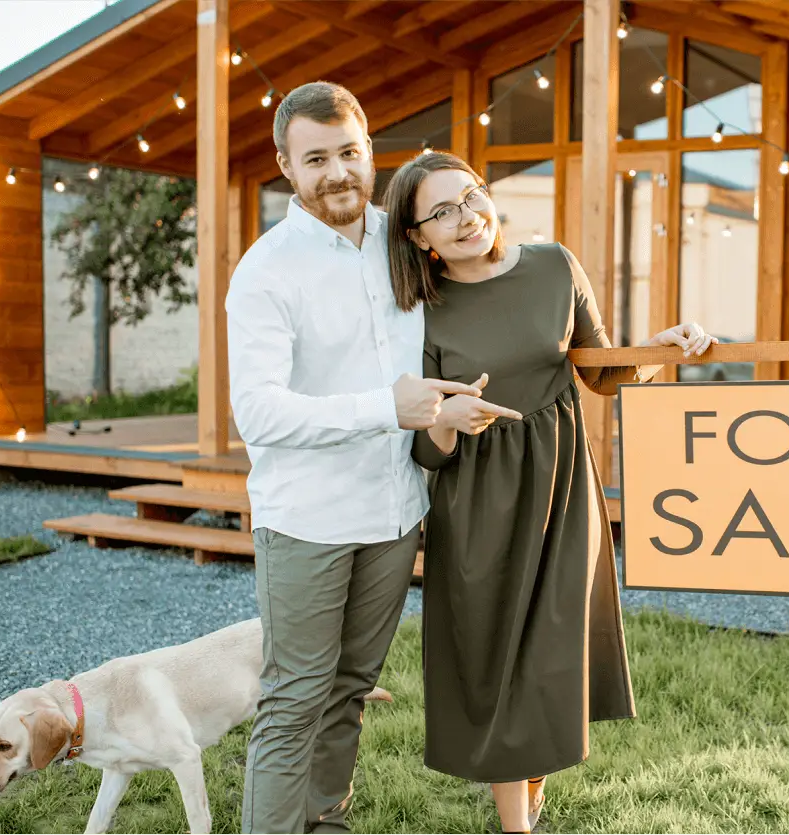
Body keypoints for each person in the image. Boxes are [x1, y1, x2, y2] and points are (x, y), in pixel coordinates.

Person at [383, 151, 716, 834]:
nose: (465, 217)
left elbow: (600, 371)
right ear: (418, 236)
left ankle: (526, 787)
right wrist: (447, 420)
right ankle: (516, 823)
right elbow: (425, 444)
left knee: (552, 649)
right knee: (494, 652)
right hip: (477, 497)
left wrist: (660, 346)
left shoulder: (554, 266)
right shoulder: (418, 312)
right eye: (440, 212)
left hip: (562, 481)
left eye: (470, 197)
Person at [224, 83, 512, 835]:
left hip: (394, 512)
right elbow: (256, 412)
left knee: (350, 687)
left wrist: (643, 344)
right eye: (315, 158)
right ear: (287, 166)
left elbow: (501, 275)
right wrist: (388, 407)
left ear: (368, 149)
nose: (337, 172)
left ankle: (326, 824)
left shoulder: (404, 238)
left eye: (348, 152)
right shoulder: (266, 270)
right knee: (295, 697)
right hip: (308, 520)